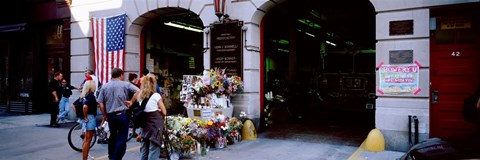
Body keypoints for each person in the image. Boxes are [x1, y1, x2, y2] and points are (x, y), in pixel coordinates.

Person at [97, 68, 139, 160]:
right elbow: (138, 91)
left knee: (112, 136)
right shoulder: (125, 84)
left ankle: (111, 156)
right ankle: (115, 158)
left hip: (110, 115)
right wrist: (131, 101)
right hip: (122, 114)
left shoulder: (104, 86)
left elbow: (100, 102)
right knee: (121, 138)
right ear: (121, 75)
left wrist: (104, 115)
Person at [135, 74, 167, 160]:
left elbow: (146, 109)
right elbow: (164, 112)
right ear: (153, 84)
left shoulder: (140, 96)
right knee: (154, 149)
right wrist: (159, 110)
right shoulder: (156, 96)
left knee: (144, 149)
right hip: (155, 127)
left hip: (145, 125)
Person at [80, 79, 98, 160]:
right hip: (90, 118)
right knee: (88, 140)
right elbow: (85, 107)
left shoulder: (84, 95)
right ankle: (84, 158)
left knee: (86, 140)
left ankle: (85, 157)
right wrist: (86, 117)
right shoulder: (91, 96)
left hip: (87, 118)